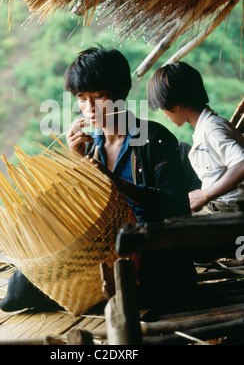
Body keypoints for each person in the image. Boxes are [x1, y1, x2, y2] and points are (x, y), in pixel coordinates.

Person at [64, 46, 196, 310]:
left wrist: (114, 182)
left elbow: (174, 206)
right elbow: (80, 214)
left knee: (161, 281)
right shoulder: (89, 147)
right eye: (81, 98)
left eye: (99, 96)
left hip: (157, 252)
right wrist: (76, 162)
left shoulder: (155, 139)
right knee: (24, 284)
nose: (89, 108)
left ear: (122, 91)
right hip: (107, 255)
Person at [147, 61, 244, 215]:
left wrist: (205, 195)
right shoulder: (204, 128)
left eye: (163, 108)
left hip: (224, 210)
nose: (164, 114)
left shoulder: (211, 130)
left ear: (177, 104)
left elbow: (242, 163)